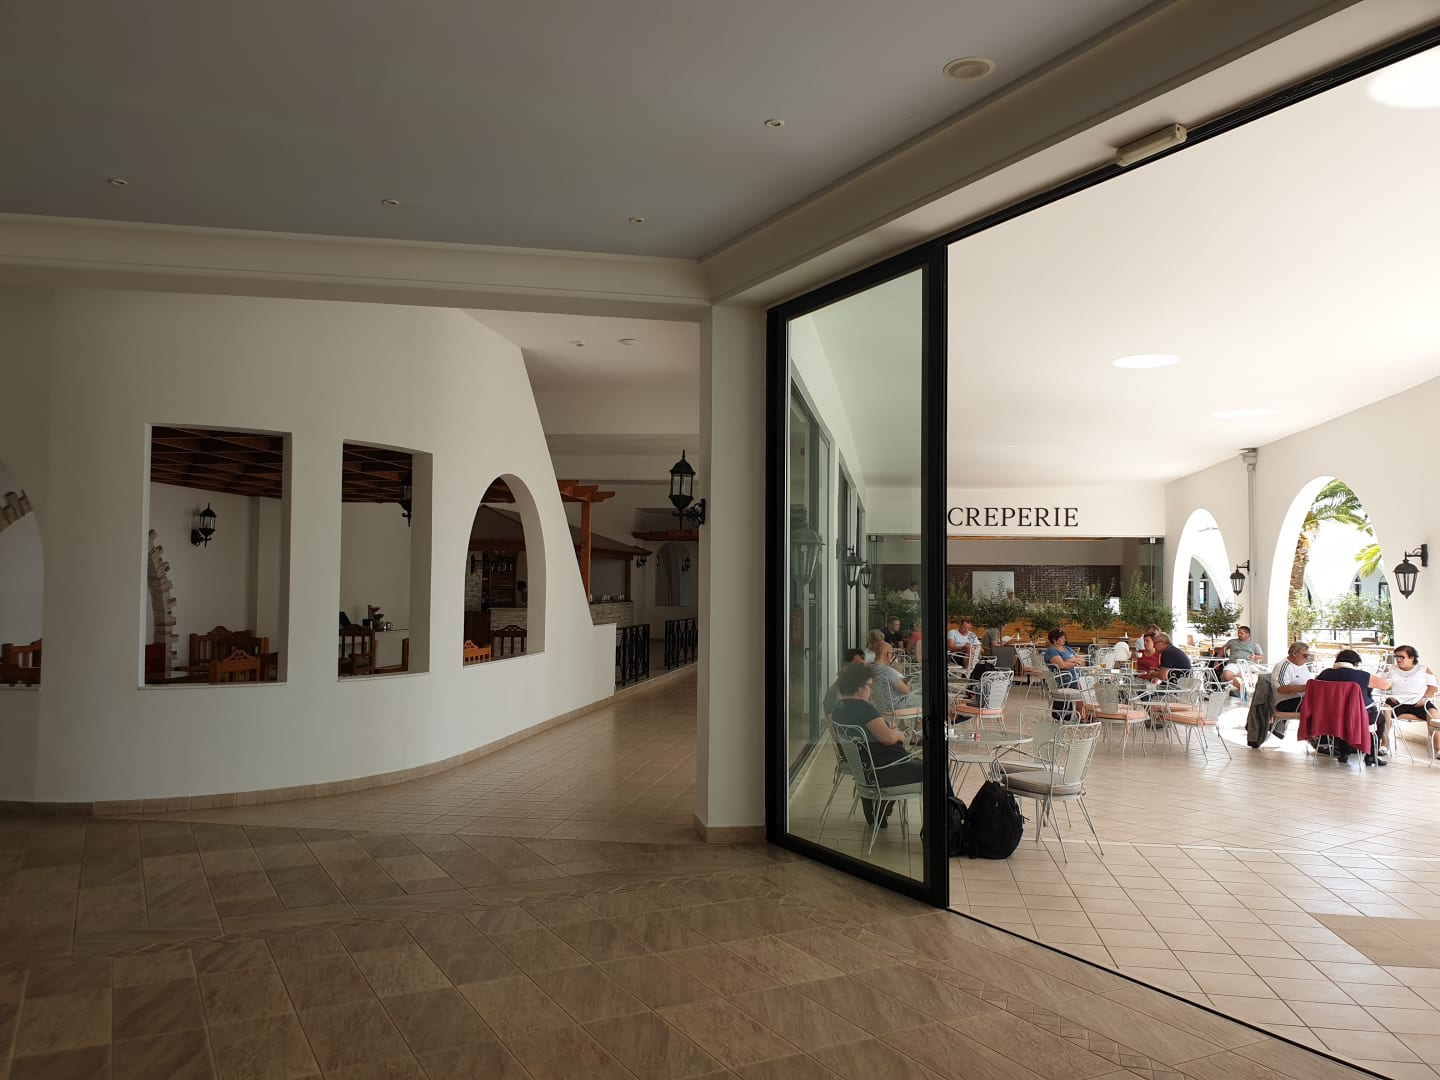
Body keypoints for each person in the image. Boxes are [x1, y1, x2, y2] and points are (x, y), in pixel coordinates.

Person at [831, 663, 921, 826]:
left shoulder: (839, 708)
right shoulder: (863, 709)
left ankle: (881, 808)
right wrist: (898, 733)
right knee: (937, 771)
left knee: (921, 763)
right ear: (859, 687)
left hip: (867, 770)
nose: (871, 691)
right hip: (888, 770)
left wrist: (887, 729)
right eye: (870, 686)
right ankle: (950, 820)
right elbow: (888, 738)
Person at [1312, 649, 1390, 765]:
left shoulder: (1324, 674)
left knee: (1341, 718)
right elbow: (1386, 685)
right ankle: (1371, 755)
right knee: (1380, 719)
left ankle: (1343, 753)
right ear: (1355, 663)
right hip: (1357, 718)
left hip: (1330, 717)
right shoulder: (1360, 675)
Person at [1381, 644, 1438, 760]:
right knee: (1385, 709)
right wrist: (1389, 694)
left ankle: (1438, 749)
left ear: (1411, 658)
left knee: (1434, 714)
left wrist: (1424, 698)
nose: (1398, 659)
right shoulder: (1391, 669)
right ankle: (1384, 745)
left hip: (1419, 702)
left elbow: (1433, 687)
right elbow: (1382, 685)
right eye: (1396, 657)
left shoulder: (1423, 669)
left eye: (1402, 657)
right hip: (1397, 703)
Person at [1272, 642, 1315, 729]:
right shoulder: (1283, 666)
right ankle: (1315, 735)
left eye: (1308, 656)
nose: (1307, 658)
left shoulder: (1302, 665)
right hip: (1285, 701)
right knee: (1321, 707)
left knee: (1327, 704)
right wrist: (1307, 687)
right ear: (1294, 653)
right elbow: (1282, 689)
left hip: (1301, 699)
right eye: (1305, 655)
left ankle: (1320, 735)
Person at [867, 639, 912, 713]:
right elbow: (906, 691)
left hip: (877, 705)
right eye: (892, 654)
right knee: (921, 699)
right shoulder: (888, 671)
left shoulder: (868, 667)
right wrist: (910, 685)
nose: (892, 657)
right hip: (894, 707)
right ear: (888, 654)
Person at [822, 648, 867, 719]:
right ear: (846, 666)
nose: (863, 669)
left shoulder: (858, 686)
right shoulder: (836, 692)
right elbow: (833, 721)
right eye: (859, 665)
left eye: (864, 665)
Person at [1221, 625, 1264, 697]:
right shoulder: (1232, 642)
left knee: (1246, 674)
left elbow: (1262, 657)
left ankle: (1239, 690)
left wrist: (1255, 657)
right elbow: (1222, 650)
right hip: (1233, 663)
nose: (1239, 635)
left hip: (1247, 664)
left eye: (1241, 633)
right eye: (1238, 633)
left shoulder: (1254, 645)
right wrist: (1216, 661)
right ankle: (1244, 690)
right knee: (1226, 674)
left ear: (1248, 634)